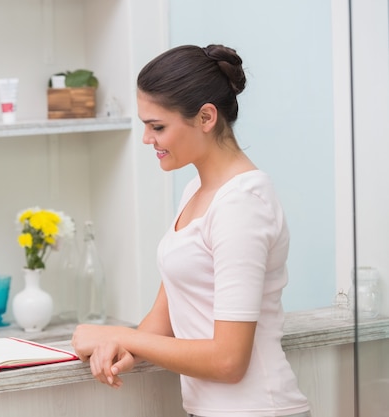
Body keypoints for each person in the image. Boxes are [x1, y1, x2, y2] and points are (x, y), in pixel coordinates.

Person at [71, 44, 311, 417]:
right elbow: (163, 319)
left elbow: (229, 360)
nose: (148, 139)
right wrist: (122, 350)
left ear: (205, 117)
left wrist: (117, 335)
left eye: (158, 126)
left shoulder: (242, 203)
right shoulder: (195, 195)